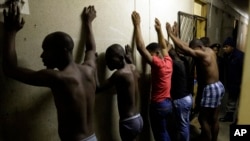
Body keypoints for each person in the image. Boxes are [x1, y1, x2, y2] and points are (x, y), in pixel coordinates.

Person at [3, 3, 98, 141]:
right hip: (93, 137)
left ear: (62, 51)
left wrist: (10, 32)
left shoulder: (58, 78)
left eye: (46, 50)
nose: (42, 56)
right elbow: (90, 49)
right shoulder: (89, 68)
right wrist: (88, 22)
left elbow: (10, 70)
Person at [166, 22, 225, 141]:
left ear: (198, 48)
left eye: (193, 50)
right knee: (214, 118)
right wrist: (175, 35)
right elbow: (185, 46)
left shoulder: (202, 55)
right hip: (219, 85)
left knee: (202, 119)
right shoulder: (208, 50)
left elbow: (184, 48)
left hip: (211, 88)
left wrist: (169, 34)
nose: (192, 53)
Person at [132, 11, 173, 141]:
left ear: (156, 53)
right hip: (167, 103)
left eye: (151, 55)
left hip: (159, 105)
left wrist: (137, 25)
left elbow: (140, 47)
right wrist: (159, 30)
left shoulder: (158, 64)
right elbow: (164, 46)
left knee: (160, 134)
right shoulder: (169, 61)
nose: (149, 58)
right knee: (164, 131)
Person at [96, 44, 143, 141]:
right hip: (138, 118)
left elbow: (97, 88)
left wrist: (93, 66)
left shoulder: (119, 74)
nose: (107, 62)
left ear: (121, 58)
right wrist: (129, 56)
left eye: (110, 59)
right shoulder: (133, 67)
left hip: (128, 121)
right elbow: (136, 76)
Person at [168, 23, 192, 141]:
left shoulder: (174, 64)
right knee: (185, 124)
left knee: (182, 126)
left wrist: (167, 33)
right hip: (187, 97)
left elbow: (168, 53)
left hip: (181, 100)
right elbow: (178, 49)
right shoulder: (183, 60)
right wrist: (173, 35)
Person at [219, 37, 244, 123]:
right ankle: (229, 116)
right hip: (231, 82)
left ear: (232, 47)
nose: (224, 49)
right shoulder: (226, 56)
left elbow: (243, 70)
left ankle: (239, 120)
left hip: (239, 82)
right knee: (231, 100)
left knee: (240, 102)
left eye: (226, 47)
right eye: (224, 47)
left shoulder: (240, 56)